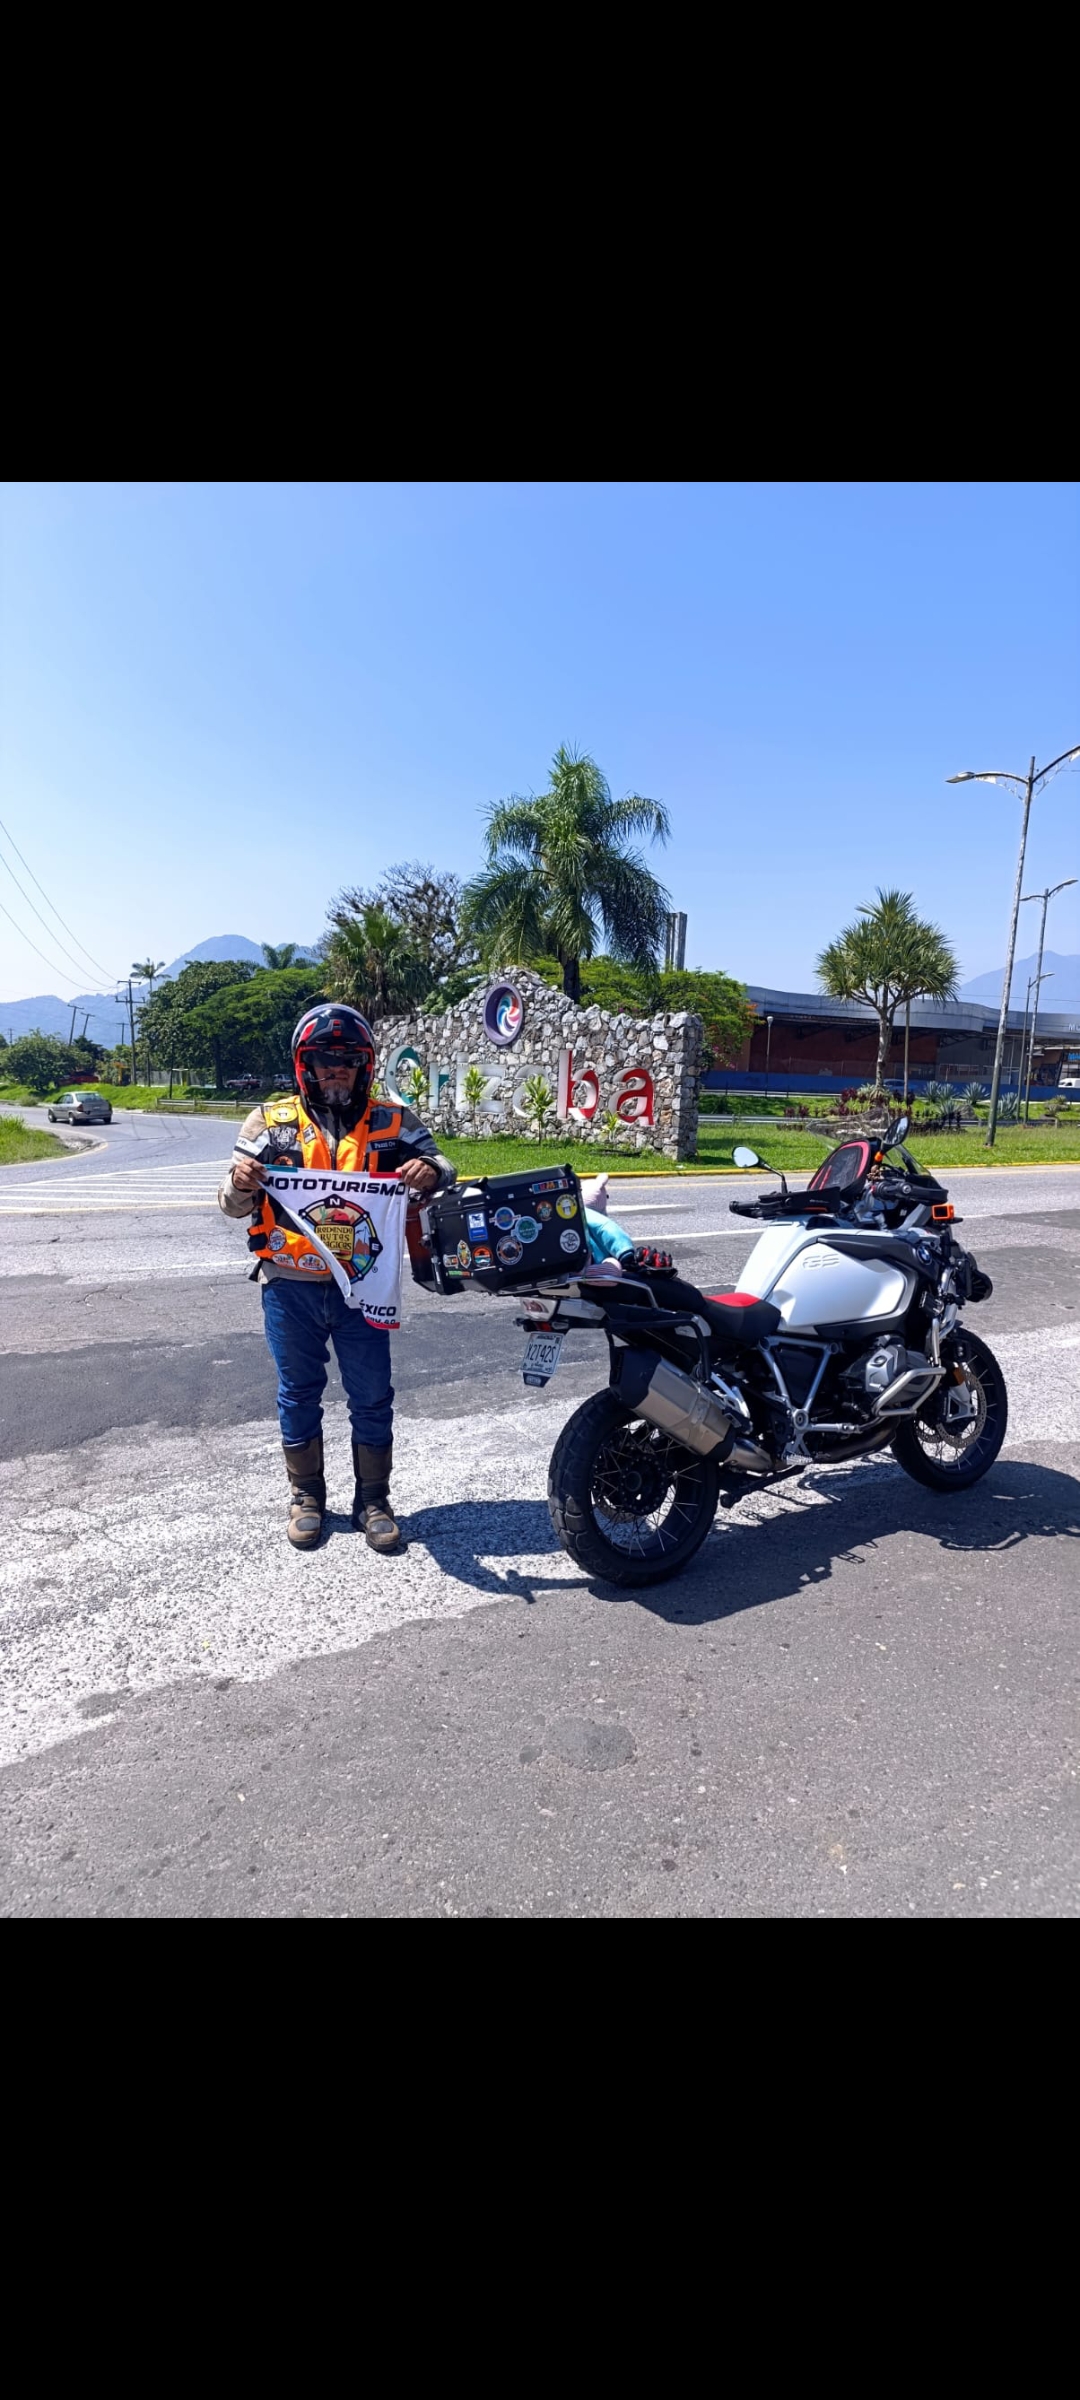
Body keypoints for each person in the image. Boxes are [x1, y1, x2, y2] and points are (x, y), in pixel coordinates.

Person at [219, 1006, 455, 1553]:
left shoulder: (394, 1120)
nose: (336, 1070)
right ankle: (306, 1497)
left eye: (347, 1061)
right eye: (324, 1061)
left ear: (365, 1065)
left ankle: (373, 1500)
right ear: (304, 1066)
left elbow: (445, 1168)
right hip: (288, 1284)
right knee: (298, 1392)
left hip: (365, 1286)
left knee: (372, 1395)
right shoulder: (267, 1122)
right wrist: (241, 1182)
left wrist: (430, 1171)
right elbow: (231, 1205)